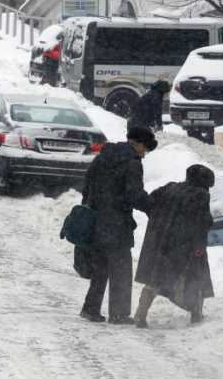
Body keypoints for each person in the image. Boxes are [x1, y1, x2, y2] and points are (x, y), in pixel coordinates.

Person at [80, 127, 158, 324]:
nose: (144, 154)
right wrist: (153, 208)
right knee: (121, 269)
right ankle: (119, 313)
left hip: (97, 220)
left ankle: (90, 308)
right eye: (145, 149)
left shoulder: (103, 156)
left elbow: (87, 184)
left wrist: (91, 206)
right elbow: (134, 194)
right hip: (117, 223)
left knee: (101, 267)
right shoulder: (132, 163)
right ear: (138, 144)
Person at [133, 164, 215, 328]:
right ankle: (196, 314)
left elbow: (150, 203)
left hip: (161, 242)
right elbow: (202, 223)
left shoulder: (170, 187)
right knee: (198, 276)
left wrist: (160, 222)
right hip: (184, 245)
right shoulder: (201, 195)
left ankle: (140, 314)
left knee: (156, 277)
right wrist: (199, 245)